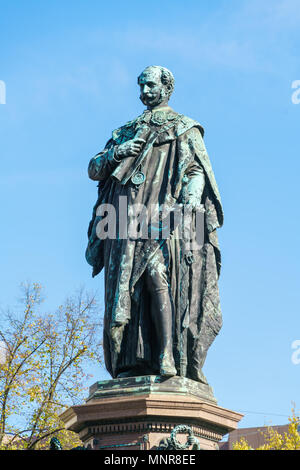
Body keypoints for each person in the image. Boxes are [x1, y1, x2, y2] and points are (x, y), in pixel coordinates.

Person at [86, 65, 223, 383]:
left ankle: (166, 356)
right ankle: (131, 362)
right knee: (127, 290)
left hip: (164, 218)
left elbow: (195, 169)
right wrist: (117, 153)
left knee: (156, 276)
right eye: (141, 86)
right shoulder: (126, 131)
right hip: (124, 221)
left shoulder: (183, 127)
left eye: (150, 85)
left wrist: (192, 193)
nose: (144, 92)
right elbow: (94, 168)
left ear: (167, 87)